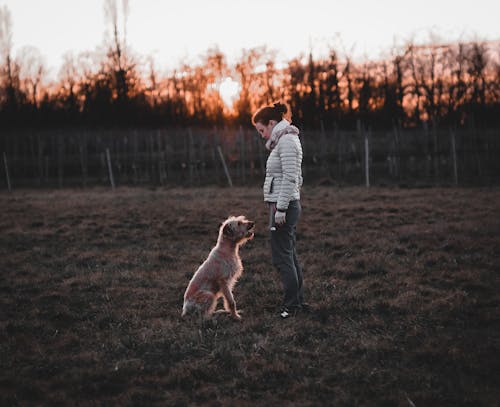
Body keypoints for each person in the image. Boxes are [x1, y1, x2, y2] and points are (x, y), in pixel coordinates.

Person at [252, 101, 306, 319]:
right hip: (281, 204)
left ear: (272, 123)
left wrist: (281, 209)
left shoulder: (286, 142)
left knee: (282, 257)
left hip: (283, 206)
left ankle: (291, 306)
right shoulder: (284, 141)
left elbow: (291, 177)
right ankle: (297, 303)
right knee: (288, 255)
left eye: (262, 130)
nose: (262, 135)